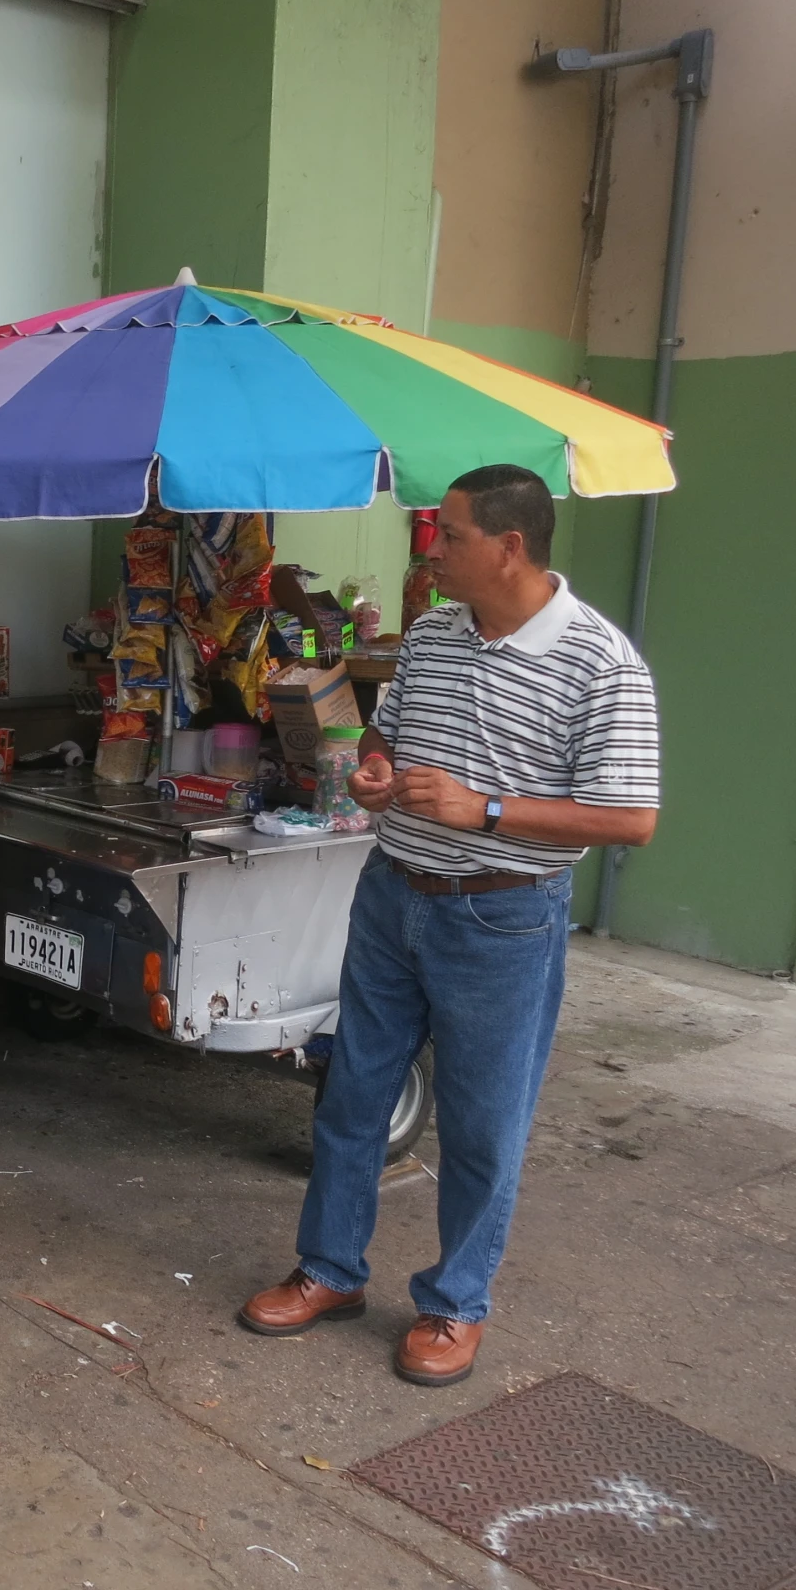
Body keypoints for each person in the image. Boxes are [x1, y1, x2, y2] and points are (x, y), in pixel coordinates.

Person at [239, 465, 660, 1386]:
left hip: (503, 916)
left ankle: (455, 1303)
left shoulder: (601, 661)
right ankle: (329, 1270)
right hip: (394, 892)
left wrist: (490, 811)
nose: (433, 553)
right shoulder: (433, 634)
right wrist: (375, 774)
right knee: (351, 1095)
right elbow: (391, 740)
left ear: (511, 547)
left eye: (451, 537)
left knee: (480, 1123)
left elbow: (631, 817)